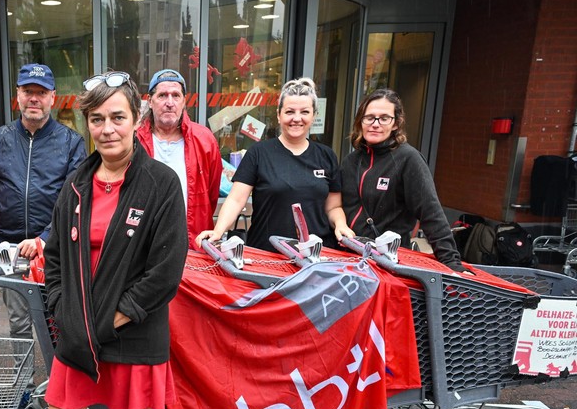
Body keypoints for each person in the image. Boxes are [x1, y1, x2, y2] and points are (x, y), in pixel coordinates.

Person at [37, 71, 188, 409]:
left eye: (117, 117)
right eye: (97, 119)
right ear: (87, 124)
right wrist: (63, 308)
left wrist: (114, 317)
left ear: (137, 119)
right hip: (81, 333)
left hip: (135, 333)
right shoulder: (77, 183)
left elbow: (165, 271)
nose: (107, 129)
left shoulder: (160, 183)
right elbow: (55, 256)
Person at [0, 63, 86, 340]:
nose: (34, 98)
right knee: (19, 323)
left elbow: (75, 201)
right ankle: (24, 382)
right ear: (18, 95)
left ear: (53, 97)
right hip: (10, 249)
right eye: (28, 91)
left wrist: (45, 237)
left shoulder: (71, 142)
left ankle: (59, 382)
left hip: (55, 249)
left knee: (58, 321)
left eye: (41, 92)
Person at [196, 77, 352, 251]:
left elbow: (333, 207)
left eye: (305, 112)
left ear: (314, 115)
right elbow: (236, 200)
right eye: (290, 112)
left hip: (315, 255)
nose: (297, 118)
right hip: (266, 254)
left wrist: (341, 224)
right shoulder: (259, 153)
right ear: (279, 115)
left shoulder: (326, 155)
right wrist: (218, 231)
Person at [340, 88, 464, 269]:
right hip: (348, 260)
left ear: (396, 123)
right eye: (369, 117)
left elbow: (431, 213)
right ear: (360, 121)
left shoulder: (408, 159)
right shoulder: (350, 162)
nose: (375, 124)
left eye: (384, 118)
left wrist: (452, 263)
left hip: (387, 265)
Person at [136, 69, 223, 241]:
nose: (169, 102)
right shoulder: (134, 140)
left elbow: (211, 195)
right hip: (143, 243)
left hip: (192, 241)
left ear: (184, 102)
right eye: (162, 95)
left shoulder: (204, 140)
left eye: (176, 95)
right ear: (150, 101)